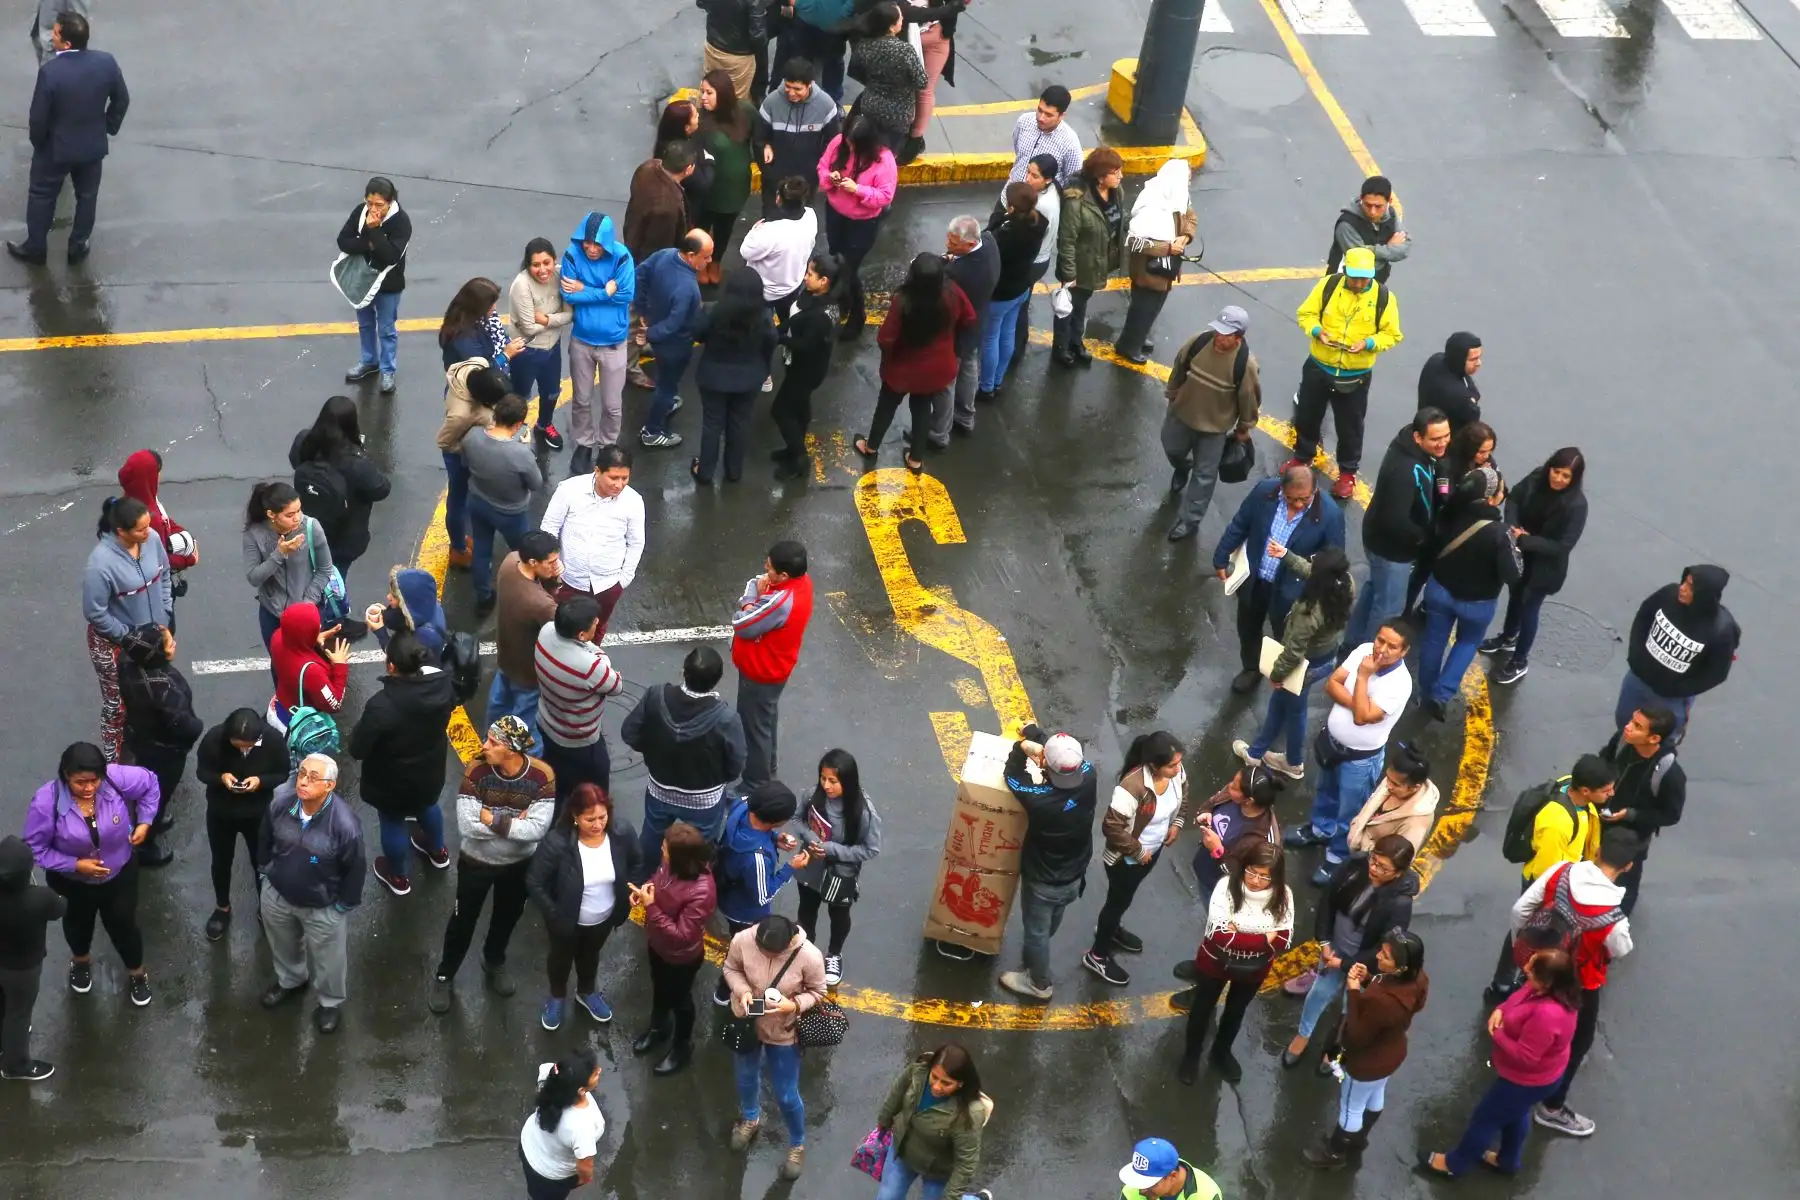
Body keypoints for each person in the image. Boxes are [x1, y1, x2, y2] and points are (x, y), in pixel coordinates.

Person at [1514, 828, 1637, 1140]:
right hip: (1581, 984)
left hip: (1540, 967)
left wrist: (1529, 955)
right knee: (1576, 1042)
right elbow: (1622, 950)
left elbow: (1520, 911)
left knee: (1525, 1016)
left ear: (1596, 850)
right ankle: (1552, 1108)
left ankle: (1519, 1069)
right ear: (1628, 866)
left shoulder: (1563, 871)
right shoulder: (1613, 917)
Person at [428, 716, 556, 1013]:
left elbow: (537, 831)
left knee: (507, 917)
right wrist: (514, 824)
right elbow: (467, 826)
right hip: (476, 863)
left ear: (511, 750)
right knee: (462, 921)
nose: (484, 746)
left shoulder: (542, 776)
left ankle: (494, 959)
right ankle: (445, 974)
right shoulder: (477, 770)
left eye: (493, 742)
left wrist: (492, 818)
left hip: (519, 864)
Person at [1420, 948, 1580, 1178]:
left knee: (1485, 1119)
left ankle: (1454, 1164)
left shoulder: (1547, 1015)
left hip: (1525, 1081)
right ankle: (1508, 1161)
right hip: (1540, 1078)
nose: (1526, 969)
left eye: (1533, 970)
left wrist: (1499, 1033)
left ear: (1547, 982)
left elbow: (1527, 1056)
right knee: (1515, 1114)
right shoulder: (1548, 990)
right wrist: (1501, 1010)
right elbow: (1517, 1000)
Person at [22, 742, 156, 1006]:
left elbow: (150, 783)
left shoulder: (116, 779)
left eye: (94, 781)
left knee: (124, 926)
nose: (89, 788)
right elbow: (34, 849)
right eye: (80, 782)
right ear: (65, 775)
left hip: (119, 874)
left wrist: (145, 821)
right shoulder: (45, 802)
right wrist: (74, 864)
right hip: (72, 882)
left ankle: (137, 973)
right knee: (76, 923)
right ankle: (81, 961)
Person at [1280, 835, 1419, 1071]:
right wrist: (1324, 942)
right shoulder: (1355, 865)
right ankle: (1303, 1035)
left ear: (1398, 873)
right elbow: (1328, 901)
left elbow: (1384, 949)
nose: (1373, 868)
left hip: (1362, 963)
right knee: (1318, 994)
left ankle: (1337, 1049)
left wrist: (1345, 964)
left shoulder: (1400, 904)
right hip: (1334, 950)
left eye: (1382, 868)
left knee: (1351, 1008)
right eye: (1374, 860)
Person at [1286, 620, 1414, 870]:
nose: (1381, 649)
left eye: (1392, 646)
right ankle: (1321, 830)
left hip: (1360, 759)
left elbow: (1363, 718)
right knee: (1325, 793)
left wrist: (1363, 677)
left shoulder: (1400, 683)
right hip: (1332, 744)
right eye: (1381, 640)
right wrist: (1360, 701)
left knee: (1351, 813)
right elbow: (1331, 684)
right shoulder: (1362, 651)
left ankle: (1338, 856)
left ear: (1404, 652)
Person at [1485, 754, 1614, 1003]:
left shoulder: (1572, 788)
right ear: (1586, 791)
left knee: (1531, 933)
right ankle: (1502, 986)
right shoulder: (1557, 822)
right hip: (1545, 886)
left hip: (1564, 876)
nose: (1611, 794)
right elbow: (1549, 874)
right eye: (1606, 790)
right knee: (1525, 935)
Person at [1212, 464, 1347, 694]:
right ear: (1281, 489)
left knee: (1286, 638)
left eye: (1304, 499)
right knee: (1248, 627)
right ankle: (1251, 668)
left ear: (1314, 491)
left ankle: (1283, 677)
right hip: (1254, 580)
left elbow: (1332, 561)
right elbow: (1240, 523)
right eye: (1291, 498)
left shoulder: (1331, 515)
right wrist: (1221, 556)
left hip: (1291, 593)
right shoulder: (1264, 492)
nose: (1297, 504)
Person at [256, 754, 364, 1034]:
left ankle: (329, 1002)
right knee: (282, 944)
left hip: (322, 906)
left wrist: (342, 906)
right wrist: (266, 871)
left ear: (330, 785)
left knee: (329, 960)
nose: (303, 781)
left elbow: (354, 869)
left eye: (313, 778)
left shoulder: (345, 826)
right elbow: (264, 840)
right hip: (278, 895)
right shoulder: (280, 805)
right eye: (302, 773)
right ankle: (291, 980)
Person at [9, 12, 127, 266]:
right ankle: (77, 246)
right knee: (87, 196)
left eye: (56, 32)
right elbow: (122, 100)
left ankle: (37, 248)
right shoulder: (106, 62)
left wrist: (39, 143)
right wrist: (106, 127)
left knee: (42, 195)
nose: (52, 34)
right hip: (92, 147)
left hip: (55, 149)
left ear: (67, 43)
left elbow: (38, 118)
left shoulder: (51, 73)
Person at [1287, 245, 1404, 499]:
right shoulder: (1328, 286)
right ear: (1345, 271)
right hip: (1319, 366)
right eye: (1355, 277)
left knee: (1350, 426)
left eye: (1365, 278)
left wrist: (1368, 344)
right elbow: (1305, 314)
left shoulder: (1384, 298)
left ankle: (1347, 473)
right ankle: (1303, 456)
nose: (1360, 283)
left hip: (1355, 374)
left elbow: (1392, 334)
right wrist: (1318, 332)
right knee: (1308, 415)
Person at [1305, 930, 1428, 1169]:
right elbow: (1389, 1002)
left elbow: (1357, 1034)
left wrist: (1353, 990)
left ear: (1401, 967)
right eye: (1382, 951)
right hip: (1391, 1055)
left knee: (1351, 1107)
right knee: (1374, 1096)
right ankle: (1359, 1139)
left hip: (1366, 1063)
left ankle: (1335, 1153)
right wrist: (1369, 979)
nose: (1379, 957)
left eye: (1386, 957)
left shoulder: (1383, 1001)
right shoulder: (1417, 980)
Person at [1173, 840, 1294, 1084]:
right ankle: (1191, 1056)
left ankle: (1221, 1052)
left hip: (1254, 969)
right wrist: (1264, 938)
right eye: (1251, 871)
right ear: (1244, 866)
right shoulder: (1225, 887)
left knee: (1236, 1011)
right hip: (1214, 963)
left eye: (1264, 876)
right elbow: (1218, 935)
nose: (1256, 880)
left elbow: (1283, 938)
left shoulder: (1283, 895)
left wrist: (1238, 933)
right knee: (1201, 1009)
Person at [526, 783, 643, 1030]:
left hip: (604, 918)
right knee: (560, 960)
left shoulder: (621, 833)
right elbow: (535, 882)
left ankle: (586, 991)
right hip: (566, 921)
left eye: (602, 817)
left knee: (590, 956)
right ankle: (557, 997)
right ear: (575, 817)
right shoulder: (557, 843)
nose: (598, 824)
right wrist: (555, 914)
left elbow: (636, 862)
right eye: (590, 819)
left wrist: (631, 889)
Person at [350, 632, 457, 897]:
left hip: (392, 780)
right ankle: (437, 850)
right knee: (428, 806)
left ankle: (397, 876)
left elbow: (358, 749)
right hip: (429, 770)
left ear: (391, 666)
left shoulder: (382, 706)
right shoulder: (443, 687)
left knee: (392, 819)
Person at [1234, 546, 1354, 782]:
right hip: (1327, 656)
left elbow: (1293, 652)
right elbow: (1314, 572)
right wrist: (1287, 555)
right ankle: (1258, 752)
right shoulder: (1344, 584)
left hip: (1305, 666)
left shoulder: (1309, 613)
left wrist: (1277, 675)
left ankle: (1291, 762)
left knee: (1293, 709)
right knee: (1282, 704)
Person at [722, 913, 828, 1179]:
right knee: (745, 1078)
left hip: (783, 1032)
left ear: (789, 942)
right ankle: (750, 1118)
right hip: (747, 1023)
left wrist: (792, 1005)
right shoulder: (743, 939)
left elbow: (818, 992)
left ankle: (797, 1143)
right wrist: (742, 990)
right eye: (761, 950)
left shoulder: (810, 956)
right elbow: (730, 968)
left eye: (772, 953)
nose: (764, 955)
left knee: (786, 1094)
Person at [997, 724, 1097, 1002]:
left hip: (1043, 880)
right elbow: (1068, 760)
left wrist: (1020, 749)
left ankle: (1039, 983)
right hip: (1075, 874)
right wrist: (1038, 736)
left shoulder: (1039, 800)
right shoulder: (1089, 776)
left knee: (1036, 932)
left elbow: (1012, 776)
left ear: (1045, 765)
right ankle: (1036, 952)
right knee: (1052, 919)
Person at [1416, 466, 1522, 722]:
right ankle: (1441, 695)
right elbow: (1513, 574)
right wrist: (1517, 546)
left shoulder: (1449, 513)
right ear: (1489, 498)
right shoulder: (1500, 532)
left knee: (1434, 639)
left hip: (1440, 589)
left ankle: (1424, 692)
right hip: (1476, 603)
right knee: (1467, 642)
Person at [1340, 409, 1451, 652]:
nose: (1442, 443)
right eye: (1435, 439)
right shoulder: (1406, 471)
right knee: (1388, 608)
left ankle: (1352, 643)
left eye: (1446, 436)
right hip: (1393, 550)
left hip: (1378, 539)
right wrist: (1422, 538)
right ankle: (1371, 657)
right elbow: (1396, 520)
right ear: (1418, 437)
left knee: (1374, 591)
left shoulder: (1410, 449)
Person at [856, 252, 975, 472]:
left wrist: (890, 356)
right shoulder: (952, 293)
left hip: (902, 369)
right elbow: (969, 318)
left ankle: (871, 447)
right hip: (936, 368)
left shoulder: (903, 301)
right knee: (922, 409)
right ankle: (915, 459)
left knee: (886, 406)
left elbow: (885, 338)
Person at [1084, 732, 1187, 987]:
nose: (1178, 768)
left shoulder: (1177, 773)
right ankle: (1097, 955)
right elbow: (1112, 828)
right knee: (1116, 902)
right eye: (1172, 765)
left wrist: (1177, 822)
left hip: (1151, 853)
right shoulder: (1132, 787)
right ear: (1154, 765)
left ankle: (1113, 929)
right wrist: (1138, 852)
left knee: (1125, 898)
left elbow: (1183, 795)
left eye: (1178, 763)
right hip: (1125, 859)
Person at [622, 646, 746, 856]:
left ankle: (644, 882)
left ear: (684, 672)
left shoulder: (656, 696)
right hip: (704, 797)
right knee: (700, 850)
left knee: (652, 842)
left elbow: (629, 733)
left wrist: (652, 752)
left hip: (659, 788)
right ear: (717, 679)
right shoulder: (726, 718)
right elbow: (736, 764)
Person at [1479, 447, 1587, 685]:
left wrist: (1525, 540)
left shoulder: (1576, 506)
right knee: (1515, 597)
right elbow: (1515, 498)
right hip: (1520, 554)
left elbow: (1563, 546)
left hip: (1544, 568)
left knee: (1529, 608)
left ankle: (1520, 660)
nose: (1558, 478)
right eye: (1556, 471)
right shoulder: (1537, 477)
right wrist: (1514, 528)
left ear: (1574, 478)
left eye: (1565, 476)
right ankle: (1508, 637)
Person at [1161, 306, 1261, 542]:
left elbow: (1249, 398)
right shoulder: (1199, 342)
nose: (1219, 337)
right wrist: (1173, 391)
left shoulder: (1245, 365)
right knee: (1172, 448)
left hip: (1214, 429)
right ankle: (1182, 466)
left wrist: (1244, 428)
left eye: (1226, 334)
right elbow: (1180, 365)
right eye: (1218, 331)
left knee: (1204, 476)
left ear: (1239, 337)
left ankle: (1189, 521)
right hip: (1182, 414)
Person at [84, 495, 172, 761]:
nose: (149, 531)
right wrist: (130, 638)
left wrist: (164, 620)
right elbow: (94, 612)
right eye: (141, 529)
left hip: (153, 635)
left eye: (149, 525)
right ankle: (113, 761)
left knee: (155, 690)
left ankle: (151, 744)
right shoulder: (100, 564)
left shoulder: (152, 540)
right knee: (117, 706)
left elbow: (164, 575)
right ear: (121, 531)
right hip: (114, 645)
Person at [631, 820, 718, 1076]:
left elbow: (682, 935)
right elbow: (658, 879)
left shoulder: (701, 891)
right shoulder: (672, 864)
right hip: (657, 944)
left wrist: (650, 906)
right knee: (659, 986)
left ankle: (682, 1045)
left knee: (680, 999)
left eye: (665, 847)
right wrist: (646, 889)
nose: (661, 849)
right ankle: (659, 1028)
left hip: (681, 957)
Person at [1615, 564, 1739, 742]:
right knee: (1624, 722)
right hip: (1637, 680)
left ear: (1703, 594)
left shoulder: (1721, 630)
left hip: (1670, 699)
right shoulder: (1667, 595)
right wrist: (1636, 656)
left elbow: (1717, 673)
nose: (1683, 588)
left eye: (1690, 587)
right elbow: (1644, 616)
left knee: (1662, 741)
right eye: (1685, 582)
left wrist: (1678, 690)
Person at [193, 708, 287, 942]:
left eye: (249, 745)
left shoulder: (273, 740)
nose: (244, 750)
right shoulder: (214, 739)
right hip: (221, 813)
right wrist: (221, 778)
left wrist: (261, 781)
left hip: (257, 814)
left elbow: (282, 773)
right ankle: (222, 907)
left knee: (262, 862)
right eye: (239, 745)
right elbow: (202, 772)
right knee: (221, 861)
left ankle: (265, 907)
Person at [795, 748, 882, 987]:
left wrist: (833, 849)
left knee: (839, 913)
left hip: (840, 875)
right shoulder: (812, 795)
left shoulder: (863, 812)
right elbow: (797, 819)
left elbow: (871, 849)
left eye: (833, 781)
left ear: (848, 780)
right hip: (810, 867)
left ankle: (834, 954)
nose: (826, 786)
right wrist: (811, 838)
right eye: (823, 778)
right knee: (806, 910)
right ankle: (806, 953)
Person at [715, 784, 809, 1002]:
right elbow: (763, 896)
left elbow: (756, 830)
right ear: (775, 821)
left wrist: (775, 838)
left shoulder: (743, 807)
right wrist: (790, 869)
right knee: (743, 953)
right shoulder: (756, 858)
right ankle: (725, 992)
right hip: (744, 913)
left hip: (727, 894)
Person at [116, 624, 200, 869]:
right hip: (165, 750)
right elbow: (186, 726)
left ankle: (154, 818)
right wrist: (197, 725)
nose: (175, 646)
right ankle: (144, 843)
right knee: (157, 792)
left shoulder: (128, 669)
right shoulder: (165, 687)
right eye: (170, 644)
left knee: (148, 787)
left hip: (141, 739)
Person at [731, 540, 815, 786]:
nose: (765, 571)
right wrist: (756, 589)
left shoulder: (780, 601)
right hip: (775, 669)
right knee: (764, 720)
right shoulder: (801, 583)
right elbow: (754, 581)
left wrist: (748, 603)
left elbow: (743, 624)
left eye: (769, 569)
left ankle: (754, 782)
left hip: (760, 672)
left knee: (753, 729)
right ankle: (767, 765)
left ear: (783, 575)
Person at [560, 212, 637, 474]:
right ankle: (583, 443)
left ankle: (607, 445)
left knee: (612, 405)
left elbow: (626, 294)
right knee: (581, 399)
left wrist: (586, 289)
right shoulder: (572, 254)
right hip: (582, 341)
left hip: (614, 343)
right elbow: (567, 293)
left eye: (597, 244)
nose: (591, 249)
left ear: (607, 242)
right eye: (587, 243)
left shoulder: (622, 256)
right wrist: (605, 291)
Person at [540, 445, 645, 632]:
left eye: (624, 478)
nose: (619, 485)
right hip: (568, 581)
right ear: (597, 471)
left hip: (608, 585)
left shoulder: (634, 501)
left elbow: (636, 542)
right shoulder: (569, 490)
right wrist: (554, 569)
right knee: (562, 627)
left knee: (597, 627)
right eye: (613, 478)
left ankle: (591, 658)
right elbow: (549, 528)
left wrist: (623, 580)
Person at [287, 396, 391, 582]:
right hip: (344, 536)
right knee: (334, 580)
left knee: (308, 570)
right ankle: (329, 607)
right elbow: (381, 489)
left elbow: (295, 461)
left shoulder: (304, 440)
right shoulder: (356, 463)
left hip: (307, 526)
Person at [691, 266, 779, 484]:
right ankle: (734, 471)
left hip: (714, 376)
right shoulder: (764, 316)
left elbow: (698, 334)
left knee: (712, 425)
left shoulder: (713, 311)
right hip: (749, 379)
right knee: (739, 423)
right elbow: (771, 342)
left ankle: (705, 471)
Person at [873, 1042, 992, 1200]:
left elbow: (966, 1164)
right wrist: (884, 1120)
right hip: (903, 1151)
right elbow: (897, 1093)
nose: (936, 1087)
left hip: (937, 1170)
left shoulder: (969, 1114)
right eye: (934, 1077)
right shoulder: (917, 1072)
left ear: (960, 1083)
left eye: (946, 1083)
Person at [536, 595, 624, 802]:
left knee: (558, 780)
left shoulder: (546, 631)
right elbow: (616, 686)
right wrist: (601, 656)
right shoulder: (590, 666)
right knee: (596, 788)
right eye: (594, 622)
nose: (598, 623)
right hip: (579, 739)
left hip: (547, 723)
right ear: (582, 635)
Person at [1597, 706, 1684, 915]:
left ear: (1653, 738)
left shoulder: (1670, 774)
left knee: (1624, 884)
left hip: (1632, 837)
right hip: (1598, 820)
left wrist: (1630, 815)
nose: (1627, 727)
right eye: (1631, 721)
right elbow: (1604, 761)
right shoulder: (1621, 740)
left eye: (1637, 726)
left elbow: (1670, 815)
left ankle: (1617, 921)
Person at [463, 394, 543, 614]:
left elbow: (465, 463)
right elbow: (535, 483)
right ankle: (528, 595)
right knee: (525, 554)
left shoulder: (472, 437)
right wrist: (529, 448)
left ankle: (483, 596)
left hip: (478, 501)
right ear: (518, 424)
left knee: (481, 549)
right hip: (511, 512)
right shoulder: (520, 453)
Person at [819, 114, 898, 336]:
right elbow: (823, 166)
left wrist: (858, 190)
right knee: (837, 259)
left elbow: (885, 196)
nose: (849, 146)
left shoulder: (884, 160)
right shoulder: (839, 143)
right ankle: (843, 301)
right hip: (835, 213)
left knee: (847, 269)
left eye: (854, 143)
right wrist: (830, 177)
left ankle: (857, 315)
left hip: (862, 223)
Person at [634, 230, 713, 449]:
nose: (709, 261)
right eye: (705, 257)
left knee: (664, 379)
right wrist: (648, 335)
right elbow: (675, 324)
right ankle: (652, 431)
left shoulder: (665, 254)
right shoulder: (688, 289)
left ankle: (665, 404)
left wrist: (641, 309)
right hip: (675, 345)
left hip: (656, 331)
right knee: (667, 386)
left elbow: (639, 274)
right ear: (690, 255)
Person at [1117, 159, 1197, 363]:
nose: (1188, 184)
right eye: (1187, 179)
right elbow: (1134, 243)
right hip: (1147, 271)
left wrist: (1185, 237)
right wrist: (1168, 248)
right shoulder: (1151, 206)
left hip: (1165, 270)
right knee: (1142, 309)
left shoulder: (1176, 197)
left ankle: (1139, 338)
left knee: (1154, 307)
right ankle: (1128, 346)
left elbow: (1190, 218)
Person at [0, 833, 66, 1081]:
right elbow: (61, 907)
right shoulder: (40, 898)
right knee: (18, 1013)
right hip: (22, 970)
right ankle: (15, 1066)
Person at [242, 481, 335, 655]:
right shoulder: (254, 534)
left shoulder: (311, 527)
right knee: (280, 665)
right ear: (271, 514)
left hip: (306, 612)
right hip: (273, 614)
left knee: (309, 663)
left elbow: (324, 569)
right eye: (290, 514)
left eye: (299, 510)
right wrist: (279, 554)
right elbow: (254, 577)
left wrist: (306, 605)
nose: (297, 518)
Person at [1053, 146, 1126, 368]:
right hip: (1079, 265)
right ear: (1100, 177)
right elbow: (1067, 240)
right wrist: (1068, 273)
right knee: (1067, 307)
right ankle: (1062, 347)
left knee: (1081, 303)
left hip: (1098, 263)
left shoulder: (1117, 192)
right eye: (1115, 172)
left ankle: (1076, 341)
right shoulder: (1076, 202)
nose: (1121, 176)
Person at [771, 253, 842, 478]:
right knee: (800, 408)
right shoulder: (817, 299)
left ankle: (799, 458)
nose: (804, 278)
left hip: (806, 370)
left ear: (824, 282)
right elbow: (796, 320)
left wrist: (778, 339)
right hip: (803, 367)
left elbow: (804, 345)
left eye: (810, 274)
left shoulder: (820, 316)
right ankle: (793, 449)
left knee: (781, 411)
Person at [338, 177, 411, 394]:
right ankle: (369, 360)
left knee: (387, 328)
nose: (373, 209)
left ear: (391, 202)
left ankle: (388, 369)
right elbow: (343, 241)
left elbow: (390, 255)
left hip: (389, 283)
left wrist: (375, 230)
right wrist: (369, 243)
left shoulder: (401, 221)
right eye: (370, 203)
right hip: (362, 280)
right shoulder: (361, 212)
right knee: (365, 323)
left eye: (379, 205)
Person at [491, 533, 563, 746]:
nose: (556, 565)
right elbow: (557, 624)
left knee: (497, 706)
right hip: (528, 672)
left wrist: (547, 575)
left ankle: (492, 741)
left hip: (505, 657)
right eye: (551, 562)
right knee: (525, 725)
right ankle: (528, 764)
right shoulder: (541, 604)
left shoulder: (510, 561)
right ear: (533, 562)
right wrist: (554, 581)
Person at [977, 183, 1047, 399]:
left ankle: (986, 386)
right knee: (1007, 333)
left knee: (990, 338)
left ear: (1013, 207)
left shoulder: (1008, 233)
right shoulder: (1040, 222)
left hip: (1001, 292)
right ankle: (997, 380)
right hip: (1021, 286)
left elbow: (986, 245)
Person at [1179, 764, 1282, 906]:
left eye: (1234, 786)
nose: (1229, 786)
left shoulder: (1263, 841)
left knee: (1214, 913)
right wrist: (1204, 813)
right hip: (1204, 868)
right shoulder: (1231, 795)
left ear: (1249, 800)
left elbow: (1248, 878)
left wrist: (1217, 850)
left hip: (1221, 889)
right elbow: (1211, 802)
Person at [997, 154, 1062, 379]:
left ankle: (1016, 348)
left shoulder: (1040, 206)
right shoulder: (1052, 193)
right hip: (1040, 259)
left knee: (1019, 307)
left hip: (1033, 262)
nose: (1028, 178)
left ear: (1048, 179)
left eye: (1035, 176)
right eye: (1028, 172)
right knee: (1021, 304)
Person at [115, 450, 197, 629]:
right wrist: (188, 558)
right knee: (163, 639)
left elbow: (168, 521)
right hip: (154, 600)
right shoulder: (149, 520)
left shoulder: (131, 503)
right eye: (157, 472)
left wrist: (184, 534)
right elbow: (157, 563)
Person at [936, 213, 1000, 440]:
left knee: (946, 382)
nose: (948, 244)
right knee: (969, 368)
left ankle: (938, 433)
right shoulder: (989, 242)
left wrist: (941, 264)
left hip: (957, 329)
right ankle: (965, 417)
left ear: (970, 243)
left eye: (954, 243)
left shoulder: (960, 274)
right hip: (976, 323)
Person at [436, 361, 504, 570]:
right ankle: (458, 548)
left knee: (467, 496)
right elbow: (445, 442)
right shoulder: (460, 415)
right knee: (458, 499)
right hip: (459, 454)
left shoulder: (477, 364)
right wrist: (470, 449)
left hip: (471, 439)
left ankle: (463, 538)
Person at [753, 58, 842, 217]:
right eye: (788, 87)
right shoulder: (771, 102)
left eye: (797, 89)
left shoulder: (826, 105)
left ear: (810, 84)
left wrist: (820, 169)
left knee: (800, 222)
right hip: (775, 179)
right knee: (771, 219)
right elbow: (759, 137)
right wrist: (766, 148)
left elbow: (833, 144)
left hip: (807, 180)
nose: (791, 93)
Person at [508, 238, 573, 452]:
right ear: (528, 265)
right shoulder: (521, 285)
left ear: (555, 260)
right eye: (536, 265)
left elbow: (570, 315)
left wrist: (544, 319)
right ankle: (517, 429)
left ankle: (544, 425)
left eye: (547, 263)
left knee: (552, 392)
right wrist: (556, 320)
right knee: (520, 396)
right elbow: (527, 329)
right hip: (525, 351)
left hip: (552, 348)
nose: (543, 270)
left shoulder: (561, 274)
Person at [519, 1049, 604, 1199]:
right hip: (549, 1177)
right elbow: (585, 1169)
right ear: (581, 1090)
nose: (600, 1070)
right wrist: (585, 1179)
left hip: (527, 1144)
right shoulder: (581, 1127)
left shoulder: (552, 1076)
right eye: (595, 1073)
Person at [696, 71, 755, 277]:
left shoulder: (745, 112)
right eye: (702, 91)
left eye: (709, 92)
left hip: (735, 189)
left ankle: (716, 262)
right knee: (703, 225)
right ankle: (701, 262)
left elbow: (759, 136)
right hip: (709, 189)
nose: (703, 97)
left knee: (724, 229)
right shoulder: (700, 120)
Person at [847, 3, 927, 151]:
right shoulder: (905, 51)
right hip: (898, 115)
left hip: (870, 107)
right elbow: (922, 82)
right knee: (886, 156)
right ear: (891, 27)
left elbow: (854, 72)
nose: (903, 20)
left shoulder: (864, 46)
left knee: (867, 152)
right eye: (900, 18)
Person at [739, 175, 819, 315]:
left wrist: (755, 229)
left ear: (778, 198)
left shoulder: (770, 230)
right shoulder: (811, 216)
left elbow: (746, 251)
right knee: (787, 320)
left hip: (766, 292)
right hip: (793, 285)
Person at [1345, 742, 1439, 860]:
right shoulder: (1394, 780)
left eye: (1395, 784)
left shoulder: (1416, 824)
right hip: (1354, 847)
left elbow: (1395, 862)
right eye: (1388, 778)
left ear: (1415, 787)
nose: (1388, 785)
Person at [267, 602, 351, 734]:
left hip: (278, 708)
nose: (320, 626)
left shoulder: (277, 636)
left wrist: (311, 638)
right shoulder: (312, 672)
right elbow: (334, 705)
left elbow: (294, 642)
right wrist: (341, 666)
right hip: (298, 728)